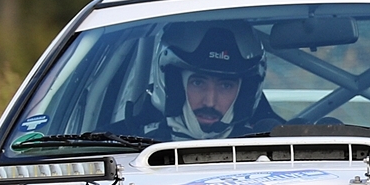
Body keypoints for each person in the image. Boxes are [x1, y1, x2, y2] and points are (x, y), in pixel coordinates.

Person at [109, 24, 284, 140]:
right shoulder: (121, 146)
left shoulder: (273, 150)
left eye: (225, 86)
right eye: (198, 83)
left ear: (244, 92)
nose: (210, 101)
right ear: (172, 84)